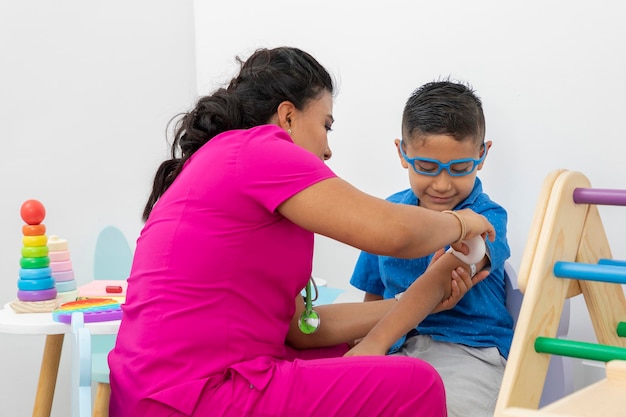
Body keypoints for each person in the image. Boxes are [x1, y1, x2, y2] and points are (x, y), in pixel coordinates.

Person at [108, 47, 496, 417]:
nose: (328, 150)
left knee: (345, 356)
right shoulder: (258, 151)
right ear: (288, 116)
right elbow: (393, 233)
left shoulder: (221, 163)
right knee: (415, 383)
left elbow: (302, 330)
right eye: (325, 125)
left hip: (166, 390)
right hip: (193, 395)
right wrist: (462, 222)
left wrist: (416, 305)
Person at [349, 80, 513, 417]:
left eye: (458, 168)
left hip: (470, 350)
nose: (441, 183)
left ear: (482, 155)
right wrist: (367, 344)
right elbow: (373, 299)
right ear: (402, 152)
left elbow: (452, 269)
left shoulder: (487, 216)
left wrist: (374, 343)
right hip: (399, 348)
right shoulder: (388, 217)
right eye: (426, 167)